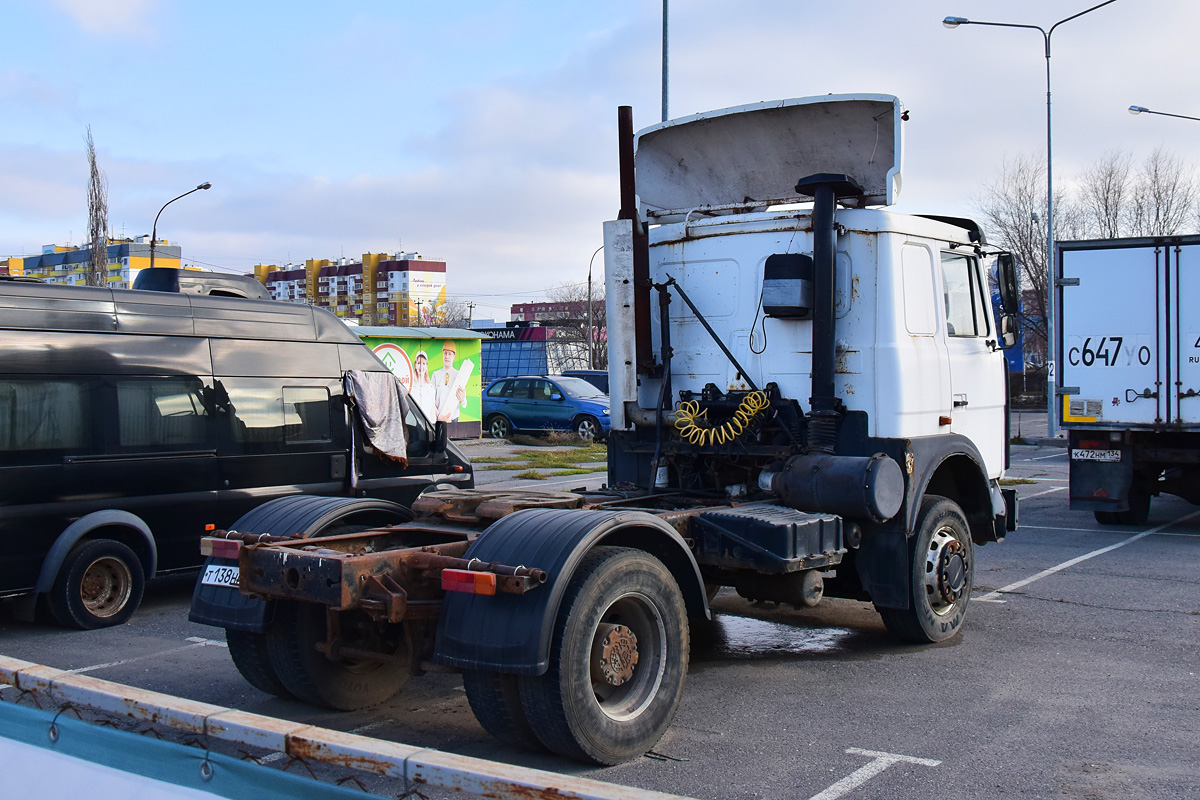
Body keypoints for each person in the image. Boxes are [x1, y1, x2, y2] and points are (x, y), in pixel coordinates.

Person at [432, 340, 467, 422]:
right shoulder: (436, 374)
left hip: (453, 419)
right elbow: (431, 399)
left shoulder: (459, 375)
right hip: (438, 418)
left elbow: (464, 404)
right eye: (445, 353)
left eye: (450, 354)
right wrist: (438, 416)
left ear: (454, 356)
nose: (447, 356)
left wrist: (462, 399)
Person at [409, 350, 437, 422]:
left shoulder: (430, 388)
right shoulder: (410, 386)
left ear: (427, 366)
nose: (421, 366)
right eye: (419, 363)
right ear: (415, 365)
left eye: (424, 363)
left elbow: (432, 413)